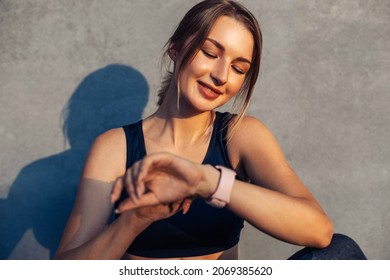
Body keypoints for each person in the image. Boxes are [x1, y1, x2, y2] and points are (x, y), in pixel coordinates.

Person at [54, 0, 366, 260]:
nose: (220, 75)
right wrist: (135, 220)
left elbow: (319, 229)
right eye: (210, 52)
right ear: (175, 49)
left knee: (341, 252)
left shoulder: (240, 135)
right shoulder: (115, 146)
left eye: (238, 68)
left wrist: (207, 180)